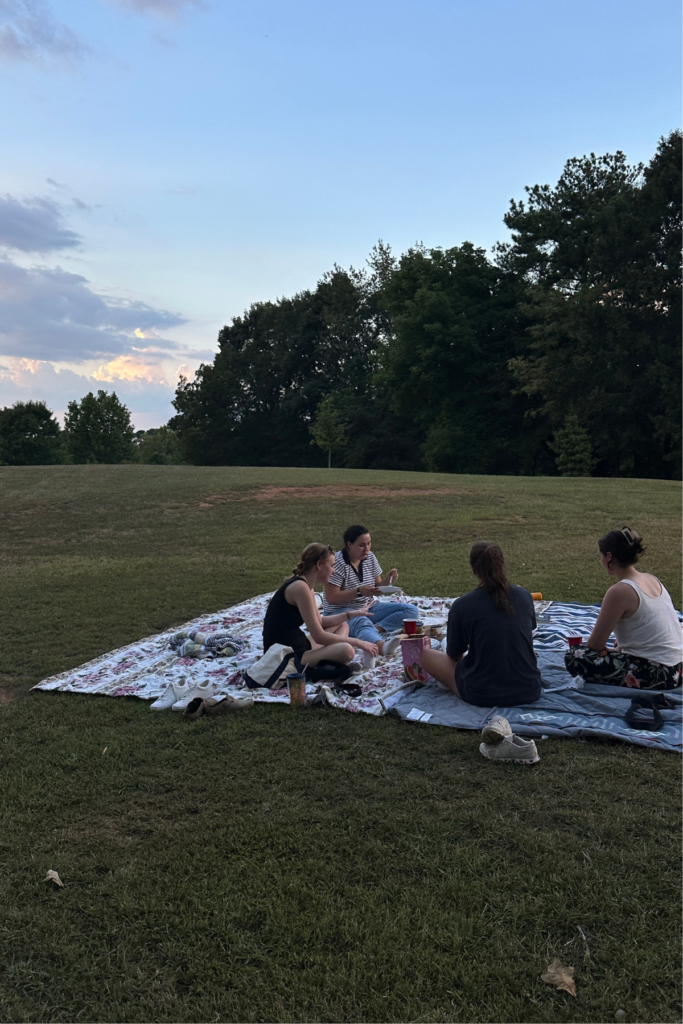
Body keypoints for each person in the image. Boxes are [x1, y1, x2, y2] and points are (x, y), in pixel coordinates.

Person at [420, 541, 542, 707]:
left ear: (473, 570)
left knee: (427, 656)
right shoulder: (524, 596)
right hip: (529, 689)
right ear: (502, 564)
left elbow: (454, 655)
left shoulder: (462, 606)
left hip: (482, 692)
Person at [565, 528, 682, 690]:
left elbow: (595, 644)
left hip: (659, 674)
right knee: (618, 643)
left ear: (608, 557)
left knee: (575, 656)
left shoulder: (620, 591)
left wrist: (610, 653)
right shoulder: (651, 579)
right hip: (678, 668)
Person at [262, 542, 380, 670]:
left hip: (297, 643)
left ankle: (332, 659)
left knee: (342, 625)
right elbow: (319, 636)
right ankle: (333, 660)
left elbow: (321, 622)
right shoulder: (300, 588)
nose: (334, 571)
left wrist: (350, 614)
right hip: (283, 655)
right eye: (332, 566)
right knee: (347, 650)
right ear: (319, 565)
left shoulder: (307, 586)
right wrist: (359, 642)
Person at [322, 524, 420, 668]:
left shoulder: (370, 557)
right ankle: (381, 645)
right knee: (360, 621)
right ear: (349, 544)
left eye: (369, 543)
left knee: (411, 611)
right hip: (341, 612)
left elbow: (376, 587)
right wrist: (359, 591)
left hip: (369, 607)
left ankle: (377, 629)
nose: (367, 548)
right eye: (361, 545)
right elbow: (331, 597)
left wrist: (388, 581)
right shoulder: (337, 563)